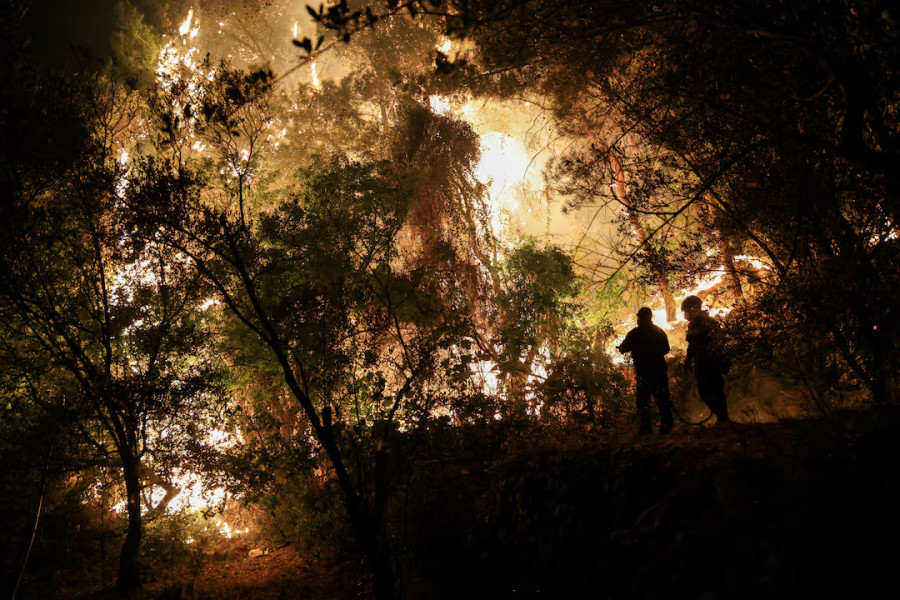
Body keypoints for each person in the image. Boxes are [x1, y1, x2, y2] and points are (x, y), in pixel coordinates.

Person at [618, 307, 674, 434]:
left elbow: (623, 349)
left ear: (641, 318)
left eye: (639, 317)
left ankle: (646, 429)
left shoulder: (634, 333)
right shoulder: (659, 332)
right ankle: (666, 427)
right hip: (659, 372)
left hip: (644, 373)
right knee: (662, 399)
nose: (638, 320)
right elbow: (666, 349)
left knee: (643, 402)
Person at [681, 295, 731, 425]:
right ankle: (723, 419)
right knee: (717, 389)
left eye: (685, 311)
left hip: (705, 361)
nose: (684, 315)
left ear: (691, 309)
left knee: (705, 390)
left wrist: (687, 361)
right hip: (716, 360)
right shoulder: (710, 321)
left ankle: (722, 419)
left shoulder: (697, 323)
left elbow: (693, 344)